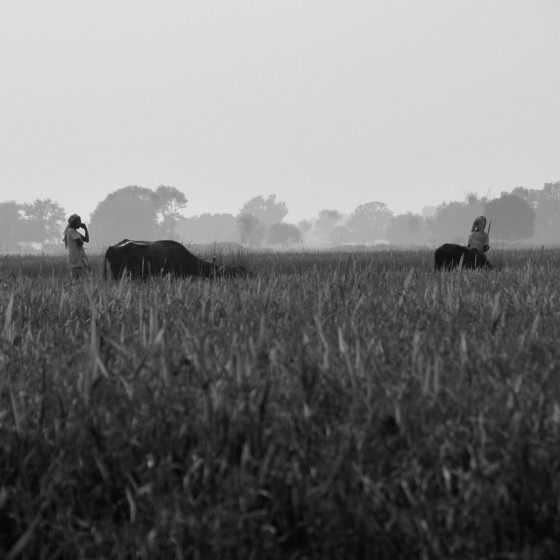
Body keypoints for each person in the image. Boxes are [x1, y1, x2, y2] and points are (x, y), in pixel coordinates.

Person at [63, 214, 91, 279]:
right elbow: (79, 243)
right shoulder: (71, 231)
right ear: (74, 222)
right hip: (74, 258)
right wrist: (81, 241)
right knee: (77, 277)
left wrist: (85, 229)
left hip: (78, 258)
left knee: (79, 277)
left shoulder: (75, 232)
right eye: (78, 221)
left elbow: (87, 240)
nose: (80, 223)